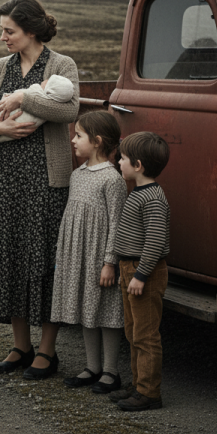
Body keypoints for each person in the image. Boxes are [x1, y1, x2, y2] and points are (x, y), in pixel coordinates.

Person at [0, 0, 79, 380]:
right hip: (2, 179)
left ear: (30, 30)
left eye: (9, 30)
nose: (2, 37)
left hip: (45, 183)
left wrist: (24, 96)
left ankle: (47, 352)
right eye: (2, 30)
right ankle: (21, 346)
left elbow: (69, 111)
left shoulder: (62, 65)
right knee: (10, 258)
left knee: (45, 263)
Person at [51, 111, 128, 394]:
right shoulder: (77, 175)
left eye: (78, 136)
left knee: (106, 312)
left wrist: (110, 263)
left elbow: (117, 224)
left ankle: (110, 371)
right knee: (86, 308)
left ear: (96, 141)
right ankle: (92, 367)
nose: (73, 140)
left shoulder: (113, 179)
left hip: (99, 259)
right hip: (77, 257)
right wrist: (63, 257)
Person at [109, 132, 171, 411]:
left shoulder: (153, 198)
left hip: (143, 271)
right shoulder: (138, 191)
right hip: (128, 268)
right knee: (133, 330)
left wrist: (141, 275)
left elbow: (155, 241)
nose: (117, 162)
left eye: (122, 158)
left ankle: (149, 393)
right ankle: (137, 385)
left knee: (145, 335)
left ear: (138, 165)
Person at [0, 74, 75, 142]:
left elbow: (71, 113)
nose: (45, 80)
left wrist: (21, 98)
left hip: (42, 160)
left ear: (49, 89)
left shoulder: (64, 64)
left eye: (48, 81)